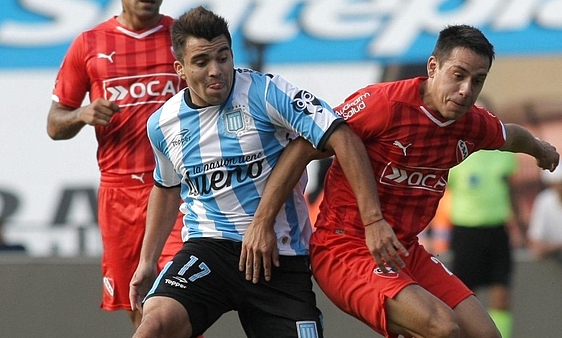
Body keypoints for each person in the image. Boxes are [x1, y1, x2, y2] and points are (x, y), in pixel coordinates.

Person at [256, 25, 560, 338]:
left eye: (477, 80)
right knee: (442, 327)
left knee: (486, 335)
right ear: (433, 67)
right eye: (458, 75)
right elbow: (302, 147)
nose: (466, 90)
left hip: (404, 251)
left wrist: (541, 150)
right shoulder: (384, 105)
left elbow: (511, 136)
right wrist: (262, 222)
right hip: (345, 248)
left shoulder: (472, 124)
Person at [128, 6, 387, 338]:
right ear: (180, 68)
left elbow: (342, 135)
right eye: (201, 62)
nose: (216, 71)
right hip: (210, 250)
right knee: (155, 325)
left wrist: (373, 220)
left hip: (279, 255)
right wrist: (147, 260)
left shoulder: (265, 92)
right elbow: (166, 188)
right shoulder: (163, 124)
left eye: (223, 57)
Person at [46, 0, 186, 327]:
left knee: (176, 300)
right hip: (119, 194)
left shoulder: (182, 35)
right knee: (140, 308)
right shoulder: (89, 43)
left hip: (177, 193)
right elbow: (54, 124)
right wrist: (82, 114)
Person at [447, 137, 524, 337]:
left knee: (501, 295)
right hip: (466, 231)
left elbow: (510, 189)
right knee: (463, 296)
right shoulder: (456, 152)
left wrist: (520, 225)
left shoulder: (503, 152)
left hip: (497, 229)